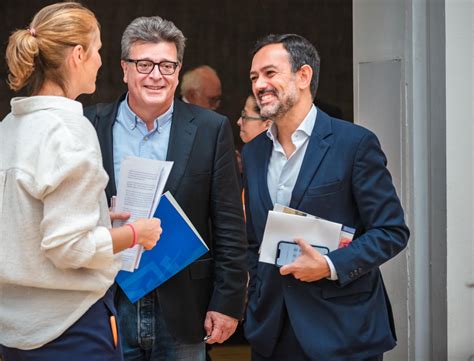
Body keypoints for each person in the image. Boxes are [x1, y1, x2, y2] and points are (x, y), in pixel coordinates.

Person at [0, 3, 162, 361]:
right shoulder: (69, 129)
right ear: (78, 54)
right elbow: (68, 248)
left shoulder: (7, 129)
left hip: (13, 332)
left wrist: (100, 219)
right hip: (71, 328)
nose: (101, 61)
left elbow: (26, 224)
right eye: (99, 49)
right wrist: (138, 234)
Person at [84, 16, 247, 361]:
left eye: (166, 65)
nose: (156, 75)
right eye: (144, 64)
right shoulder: (89, 124)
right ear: (124, 68)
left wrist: (227, 303)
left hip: (184, 305)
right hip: (108, 300)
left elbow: (229, 225)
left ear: (178, 70)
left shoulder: (210, 129)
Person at [242, 34, 410, 361]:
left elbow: (391, 231)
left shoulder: (354, 144)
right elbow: (254, 241)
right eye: (253, 77)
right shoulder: (253, 152)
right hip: (272, 331)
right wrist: (255, 298)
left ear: (303, 76)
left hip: (342, 330)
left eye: (269, 73)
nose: (259, 84)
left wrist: (329, 265)